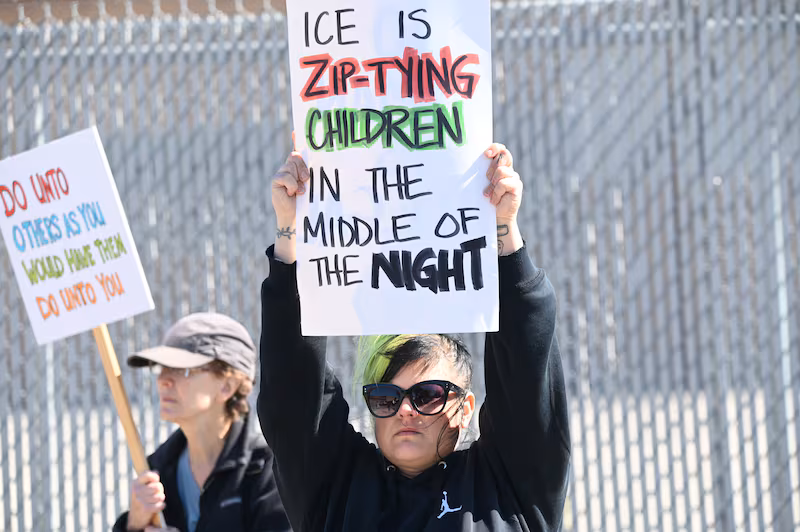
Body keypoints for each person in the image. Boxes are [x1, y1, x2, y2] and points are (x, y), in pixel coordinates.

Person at [257, 143, 571, 531]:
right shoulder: (335, 486)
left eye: (428, 395)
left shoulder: (509, 483)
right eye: (386, 398)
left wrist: (503, 230)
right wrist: (293, 230)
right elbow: (292, 393)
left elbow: (527, 370)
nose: (405, 410)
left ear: (465, 407)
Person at [112, 312, 292, 532]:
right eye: (160, 368)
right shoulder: (157, 470)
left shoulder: (267, 470)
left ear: (227, 386)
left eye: (180, 369)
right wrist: (133, 525)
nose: (163, 380)